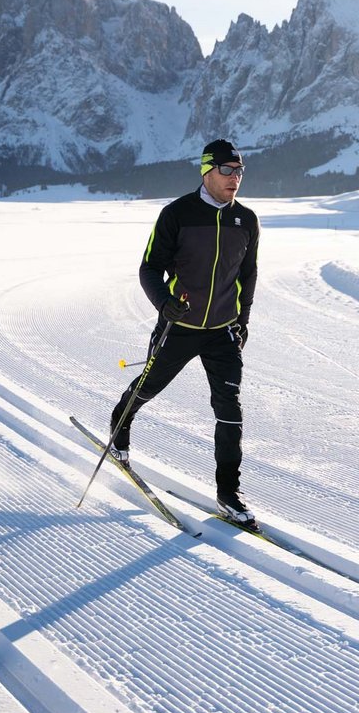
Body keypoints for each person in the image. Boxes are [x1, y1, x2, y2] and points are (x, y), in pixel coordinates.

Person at [108, 138, 260, 525]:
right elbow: (149, 268)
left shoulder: (246, 220)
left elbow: (247, 275)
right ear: (207, 170)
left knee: (230, 411)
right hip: (180, 326)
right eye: (227, 170)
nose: (235, 178)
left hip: (222, 331)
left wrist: (242, 321)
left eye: (240, 170)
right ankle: (119, 425)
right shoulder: (177, 214)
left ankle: (229, 494)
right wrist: (164, 303)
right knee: (148, 387)